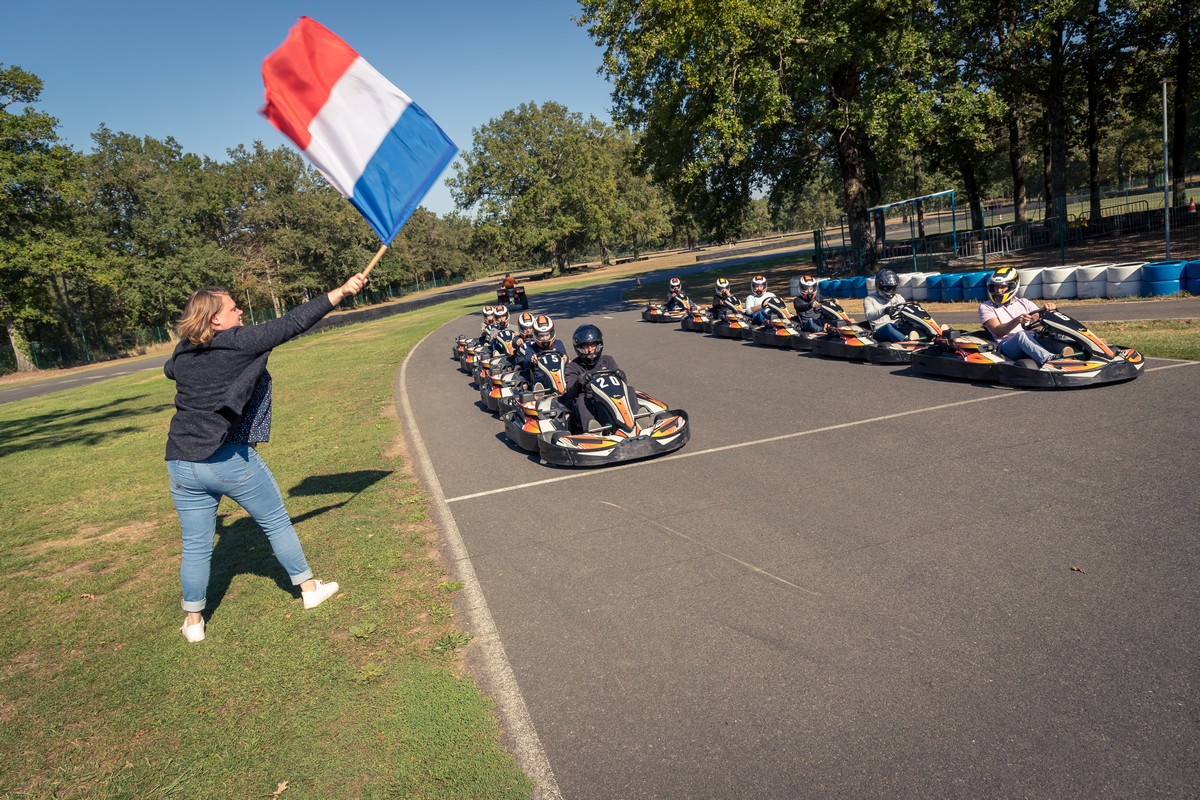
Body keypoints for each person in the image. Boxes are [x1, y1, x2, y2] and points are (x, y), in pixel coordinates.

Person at [165, 272, 367, 643]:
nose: (240, 311)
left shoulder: (183, 350)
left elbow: (169, 371)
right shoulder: (238, 341)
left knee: (195, 544)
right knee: (275, 520)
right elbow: (293, 322)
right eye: (233, 307)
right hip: (225, 459)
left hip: (179, 461)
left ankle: (193, 623)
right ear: (216, 319)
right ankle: (309, 590)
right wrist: (341, 292)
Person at [979, 266, 1067, 365]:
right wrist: (1017, 320)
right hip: (1007, 346)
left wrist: (1049, 310)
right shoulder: (986, 307)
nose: (998, 291)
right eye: (996, 286)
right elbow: (998, 331)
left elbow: (1039, 317)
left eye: (1002, 287)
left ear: (1012, 286)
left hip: (1031, 339)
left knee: (1048, 334)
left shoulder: (1024, 302)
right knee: (1021, 335)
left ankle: (1073, 350)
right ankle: (1049, 360)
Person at [563, 324, 626, 433]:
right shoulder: (573, 366)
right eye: (586, 347)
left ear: (599, 345)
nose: (590, 350)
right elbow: (570, 392)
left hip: (609, 401)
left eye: (593, 346)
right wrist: (579, 382)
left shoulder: (608, 361)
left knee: (629, 390)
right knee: (581, 399)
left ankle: (634, 421)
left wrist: (621, 377)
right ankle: (594, 430)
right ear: (579, 348)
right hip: (590, 405)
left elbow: (620, 386)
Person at [522, 314, 569, 386]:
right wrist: (532, 359)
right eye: (541, 336)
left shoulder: (558, 344)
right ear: (536, 335)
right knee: (536, 383)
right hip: (542, 377)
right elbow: (526, 362)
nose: (545, 338)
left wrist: (565, 358)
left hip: (560, 374)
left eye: (547, 335)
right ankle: (539, 394)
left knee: (571, 379)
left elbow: (565, 356)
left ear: (551, 333)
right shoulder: (531, 348)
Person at [862, 269, 907, 342]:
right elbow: (869, 316)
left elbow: (906, 310)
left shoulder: (898, 297)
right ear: (879, 286)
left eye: (893, 288)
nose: (891, 291)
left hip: (898, 326)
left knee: (911, 324)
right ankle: (906, 342)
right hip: (880, 330)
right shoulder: (869, 299)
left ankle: (927, 338)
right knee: (889, 327)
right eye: (888, 288)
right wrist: (884, 311)